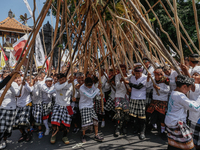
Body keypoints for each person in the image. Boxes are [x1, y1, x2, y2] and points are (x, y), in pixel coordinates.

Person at [165, 75, 200, 150]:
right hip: (177, 124)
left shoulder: (174, 92)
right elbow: (195, 108)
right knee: (190, 146)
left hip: (170, 122)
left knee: (173, 145)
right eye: (189, 88)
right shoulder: (180, 96)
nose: (189, 90)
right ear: (184, 86)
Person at [146, 67, 170, 140]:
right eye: (156, 75)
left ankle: (163, 132)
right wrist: (148, 78)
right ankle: (152, 126)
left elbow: (167, 90)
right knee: (149, 113)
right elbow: (147, 86)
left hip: (162, 101)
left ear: (161, 74)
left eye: (159, 75)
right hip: (155, 100)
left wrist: (159, 88)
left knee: (161, 117)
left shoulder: (166, 79)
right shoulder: (153, 79)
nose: (157, 77)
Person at [50, 73, 74, 144]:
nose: (62, 81)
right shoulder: (57, 85)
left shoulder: (70, 85)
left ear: (65, 78)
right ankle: (53, 135)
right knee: (55, 121)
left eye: (63, 79)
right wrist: (67, 82)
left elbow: (74, 93)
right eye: (60, 80)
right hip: (58, 105)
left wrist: (75, 95)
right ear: (58, 80)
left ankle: (65, 136)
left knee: (66, 123)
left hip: (67, 106)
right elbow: (58, 88)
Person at [125, 66, 147, 140]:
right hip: (133, 98)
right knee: (134, 116)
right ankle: (136, 128)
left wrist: (130, 84)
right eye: (136, 73)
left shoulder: (145, 77)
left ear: (142, 72)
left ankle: (142, 132)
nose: (137, 75)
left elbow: (138, 87)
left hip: (141, 98)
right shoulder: (132, 77)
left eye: (139, 73)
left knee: (142, 117)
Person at [79, 77, 104, 143]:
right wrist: (98, 89)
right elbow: (91, 96)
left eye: (91, 85)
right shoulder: (82, 88)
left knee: (95, 120)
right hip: (83, 106)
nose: (90, 87)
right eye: (88, 85)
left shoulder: (92, 85)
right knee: (85, 122)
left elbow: (95, 90)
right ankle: (83, 136)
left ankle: (96, 135)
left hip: (90, 106)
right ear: (85, 83)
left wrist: (99, 94)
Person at [0, 72, 20, 149]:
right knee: (1, 126)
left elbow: (17, 94)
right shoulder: (1, 83)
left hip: (11, 108)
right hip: (1, 108)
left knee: (8, 128)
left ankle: (4, 139)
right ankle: (1, 140)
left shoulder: (14, 84)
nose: (6, 77)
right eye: (5, 76)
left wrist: (10, 86)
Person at [14, 76, 33, 143]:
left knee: (24, 121)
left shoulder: (25, 84)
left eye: (18, 78)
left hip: (26, 104)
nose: (17, 79)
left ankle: (29, 133)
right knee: (16, 123)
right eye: (16, 78)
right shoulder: (14, 86)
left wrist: (25, 84)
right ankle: (23, 134)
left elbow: (30, 90)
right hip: (18, 105)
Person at [113, 64, 131, 136]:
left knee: (126, 113)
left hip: (126, 96)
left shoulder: (129, 76)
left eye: (123, 69)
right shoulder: (117, 76)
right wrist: (120, 81)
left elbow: (130, 86)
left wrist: (128, 87)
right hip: (118, 95)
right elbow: (117, 86)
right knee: (118, 112)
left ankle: (124, 127)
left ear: (125, 70)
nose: (122, 71)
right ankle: (117, 128)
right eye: (120, 70)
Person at [188, 67, 200, 149]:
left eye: (197, 75)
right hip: (194, 115)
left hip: (197, 115)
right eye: (193, 75)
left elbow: (193, 86)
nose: (194, 77)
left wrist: (186, 71)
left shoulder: (198, 86)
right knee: (193, 137)